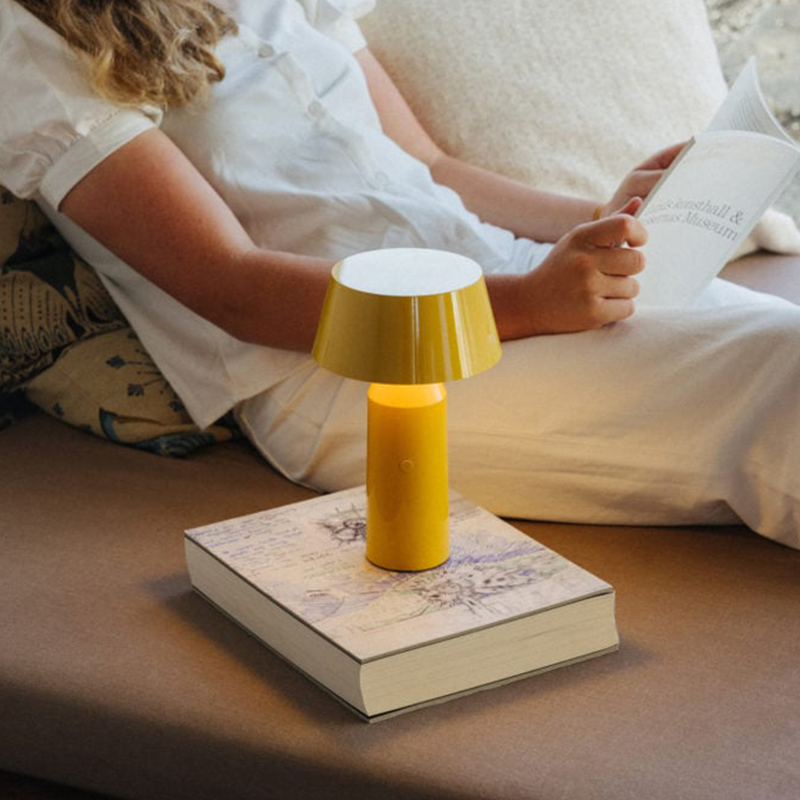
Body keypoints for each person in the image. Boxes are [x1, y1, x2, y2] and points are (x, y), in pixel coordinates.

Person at [2, 0, 799, 549]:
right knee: (780, 372)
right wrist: (527, 303)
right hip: (346, 371)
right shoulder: (32, 41)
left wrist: (600, 217)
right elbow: (232, 286)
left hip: (498, 274)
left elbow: (431, 167)